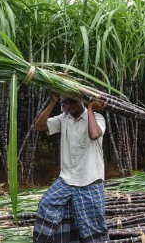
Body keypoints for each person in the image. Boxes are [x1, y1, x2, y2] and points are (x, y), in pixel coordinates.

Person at [33, 94, 109, 242]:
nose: (67, 106)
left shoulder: (97, 118)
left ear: (81, 100)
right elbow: (39, 126)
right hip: (67, 180)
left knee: (93, 226)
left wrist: (91, 108)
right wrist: (53, 102)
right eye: (64, 103)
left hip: (90, 180)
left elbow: (94, 134)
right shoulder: (64, 118)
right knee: (46, 204)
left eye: (71, 102)